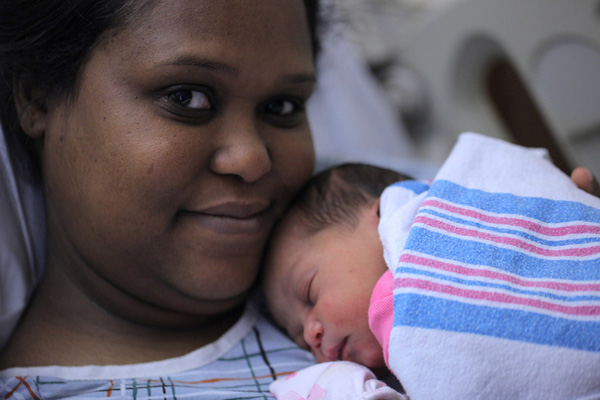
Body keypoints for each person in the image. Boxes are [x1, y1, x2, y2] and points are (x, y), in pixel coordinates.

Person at [0, 1, 321, 398]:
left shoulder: (374, 241)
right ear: (38, 97)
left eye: (281, 107)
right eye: (186, 98)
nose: (251, 160)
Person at [263, 133, 600, 400]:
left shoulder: (446, 219)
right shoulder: (389, 377)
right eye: (300, 340)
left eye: (308, 292)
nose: (310, 334)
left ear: (382, 215)